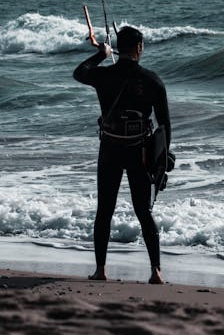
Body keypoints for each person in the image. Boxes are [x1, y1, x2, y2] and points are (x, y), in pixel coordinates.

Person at [73, 25, 171, 284]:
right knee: (143, 211)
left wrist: (101, 54)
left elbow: (79, 73)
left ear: (119, 46)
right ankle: (156, 271)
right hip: (139, 151)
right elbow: (164, 126)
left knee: (105, 210)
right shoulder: (153, 80)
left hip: (110, 150)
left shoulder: (104, 76)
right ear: (139, 48)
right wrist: (162, 160)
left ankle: (100, 270)